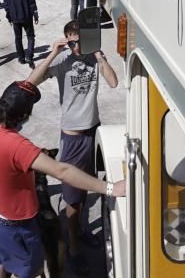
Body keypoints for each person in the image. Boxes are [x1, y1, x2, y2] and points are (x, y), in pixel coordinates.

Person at [0, 80, 125, 278]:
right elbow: (61, 171)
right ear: (23, 116)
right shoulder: (18, 146)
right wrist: (110, 188)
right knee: (30, 271)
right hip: (16, 224)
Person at [28, 19, 118, 271]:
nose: (78, 47)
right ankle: (74, 245)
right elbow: (30, 82)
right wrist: (52, 54)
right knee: (71, 196)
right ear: (67, 39)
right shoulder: (61, 60)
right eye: (73, 41)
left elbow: (113, 83)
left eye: (82, 41)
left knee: (86, 185)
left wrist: (100, 57)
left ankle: (78, 232)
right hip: (73, 136)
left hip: (93, 130)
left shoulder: (93, 57)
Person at [4, 0, 38, 68]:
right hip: (26, 16)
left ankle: (21, 57)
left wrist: (9, 16)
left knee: (18, 38)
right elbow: (31, 2)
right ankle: (29, 56)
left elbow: (6, 4)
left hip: (15, 17)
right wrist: (35, 14)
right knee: (30, 36)